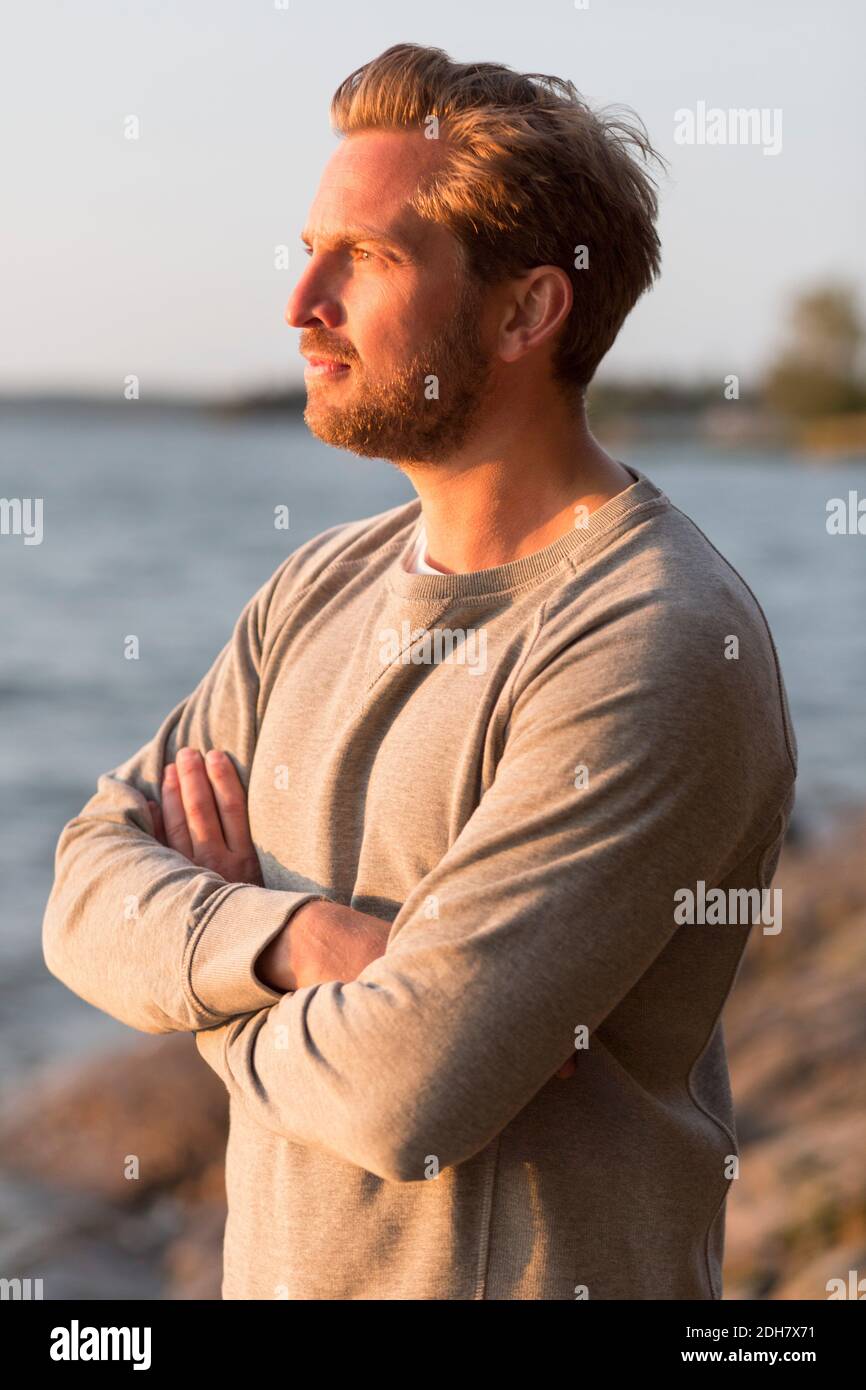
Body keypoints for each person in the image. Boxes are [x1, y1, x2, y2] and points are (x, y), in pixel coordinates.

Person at [42, 42, 797, 1300]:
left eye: (370, 258)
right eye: (309, 249)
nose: (300, 304)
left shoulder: (652, 638)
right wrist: (298, 938)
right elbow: (79, 888)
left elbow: (407, 1095)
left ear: (523, 312)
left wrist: (201, 984)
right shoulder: (314, 588)